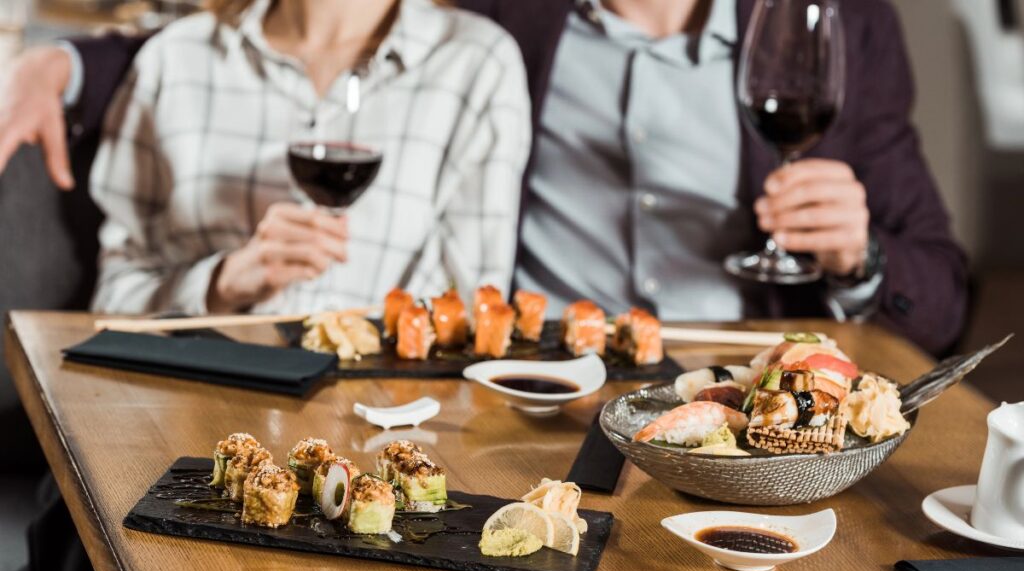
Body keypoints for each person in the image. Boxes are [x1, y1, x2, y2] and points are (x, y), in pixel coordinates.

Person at [0, 0, 967, 355]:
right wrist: (62, 60)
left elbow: (941, 303)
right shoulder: (503, 17)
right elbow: (297, 31)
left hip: (729, 383)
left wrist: (859, 258)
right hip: (532, 384)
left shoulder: (832, 25)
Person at [40, 0, 531, 315]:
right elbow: (113, 303)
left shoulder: (476, 64)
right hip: (190, 415)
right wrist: (222, 284)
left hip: (376, 436)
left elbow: (472, 315)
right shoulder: (176, 58)